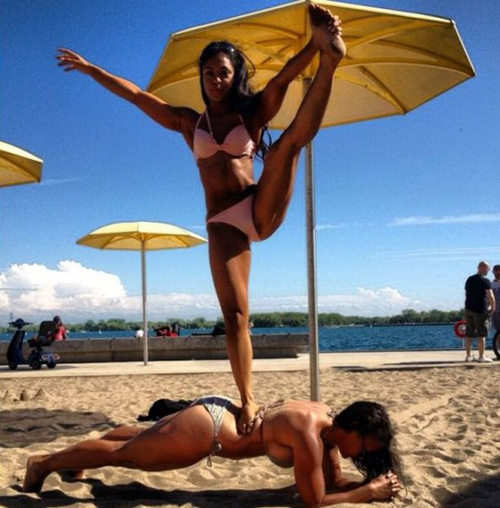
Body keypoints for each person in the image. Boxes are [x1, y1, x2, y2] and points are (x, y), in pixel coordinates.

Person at [57, 4, 345, 432]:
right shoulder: (189, 123)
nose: (216, 79)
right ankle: (248, 398)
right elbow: (136, 95)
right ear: (202, 77)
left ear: (235, 74)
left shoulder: (252, 113)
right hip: (224, 222)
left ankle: (331, 61)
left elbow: (283, 78)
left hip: (259, 204)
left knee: (287, 146)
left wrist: (315, 47)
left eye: (224, 72)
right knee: (235, 316)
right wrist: (90, 69)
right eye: (209, 73)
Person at [23, 398, 402, 506]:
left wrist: (373, 484)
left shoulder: (326, 424)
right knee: (125, 455)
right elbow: (314, 500)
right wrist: (367, 492)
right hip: (207, 433)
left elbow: (333, 482)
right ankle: (43, 464)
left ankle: (76, 463)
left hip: (213, 415)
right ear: (352, 429)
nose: (359, 455)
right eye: (363, 446)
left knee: (134, 440)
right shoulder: (309, 434)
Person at [464, 261, 496, 362]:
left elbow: (467, 293)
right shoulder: (485, 281)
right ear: (483, 268)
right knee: (481, 333)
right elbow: (490, 294)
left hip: (469, 308)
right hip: (480, 309)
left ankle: (468, 356)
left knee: (469, 333)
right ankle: (481, 356)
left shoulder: (469, 279)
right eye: (488, 269)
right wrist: (493, 307)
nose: (488, 271)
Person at [491, 265, 500, 333]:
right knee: (497, 330)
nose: (497, 272)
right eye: (496, 271)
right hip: (495, 311)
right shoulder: (491, 284)